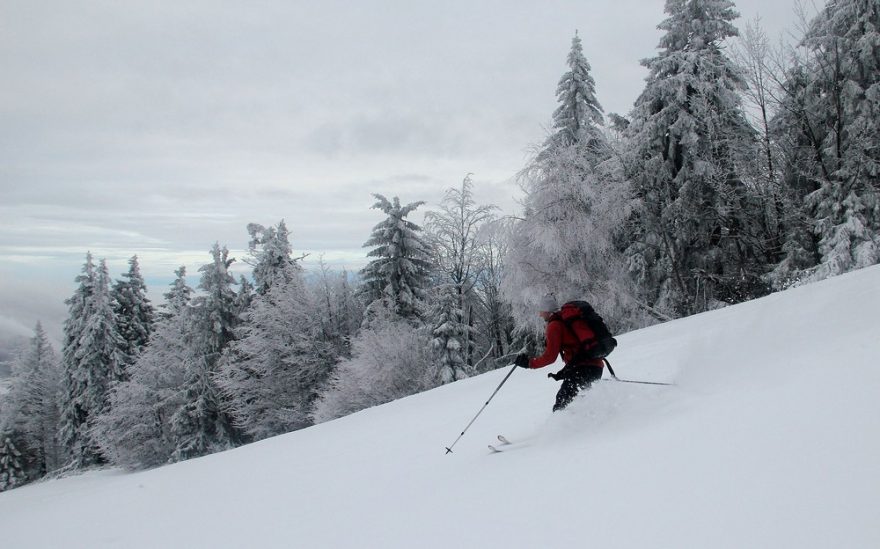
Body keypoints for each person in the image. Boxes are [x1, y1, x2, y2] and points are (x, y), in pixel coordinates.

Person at [514, 294, 605, 411]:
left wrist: (529, 363)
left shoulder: (554, 325)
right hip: (595, 367)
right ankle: (595, 424)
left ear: (547, 310)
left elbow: (550, 357)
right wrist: (564, 372)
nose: (540, 314)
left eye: (542, 310)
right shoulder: (565, 320)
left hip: (583, 369)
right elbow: (576, 349)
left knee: (561, 406)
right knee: (581, 404)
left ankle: (562, 428)